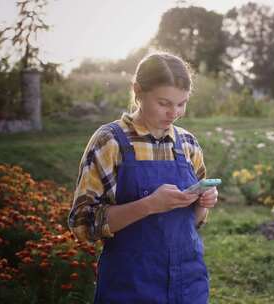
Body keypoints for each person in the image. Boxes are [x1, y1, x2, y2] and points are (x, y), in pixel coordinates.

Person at [68, 52, 218, 304]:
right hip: (130, 286)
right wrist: (149, 205)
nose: (174, 113)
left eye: (181, 103)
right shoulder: (110, 141)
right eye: (164, 103)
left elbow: (193, 222)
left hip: (188, 285)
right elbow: (83, 225)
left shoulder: (188, 144)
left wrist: (203, 203)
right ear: (137, 91)